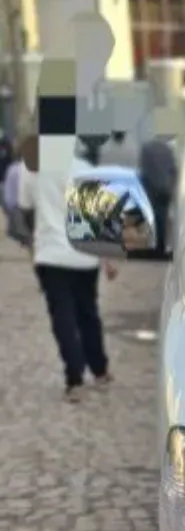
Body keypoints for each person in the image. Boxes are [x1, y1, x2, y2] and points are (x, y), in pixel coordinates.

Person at [19, 148, 116, 402]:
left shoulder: (32, 167)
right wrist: (107, 259)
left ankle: (75, 378)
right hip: (84, 256)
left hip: (50, 254)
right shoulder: (84, 169)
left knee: (62, 316)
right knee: (88, 313)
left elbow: (24, 206)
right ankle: (100, 370)